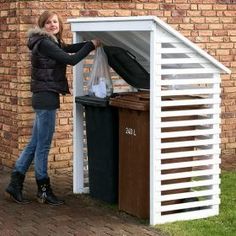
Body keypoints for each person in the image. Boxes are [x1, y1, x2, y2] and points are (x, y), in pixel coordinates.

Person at [5, 10, 101, 205]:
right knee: (43, 146)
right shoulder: (46, 43)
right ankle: (43, 189)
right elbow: (71, 59)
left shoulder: (49, 42)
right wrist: (91, 45)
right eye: (48, 22)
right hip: (46, 97)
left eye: (55, 22)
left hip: (42, 96)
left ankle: (15, 183)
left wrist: (89, 43)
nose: (52, 25)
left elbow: (68, 48)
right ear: (42, 26)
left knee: (34, 143)